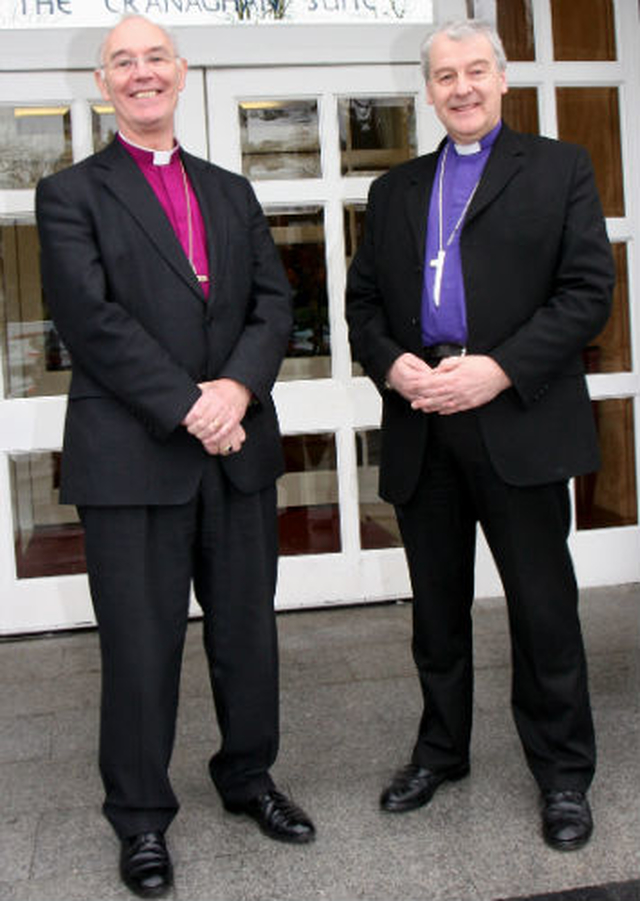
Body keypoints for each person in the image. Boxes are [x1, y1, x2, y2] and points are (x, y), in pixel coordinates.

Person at [36, 14, 315, 898]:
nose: (141, 72)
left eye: (155, 57)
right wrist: (195, 406)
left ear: (182, 72)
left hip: (236, 451)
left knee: (246, 638)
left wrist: (235, 389)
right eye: (123, 62)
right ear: (104, 85)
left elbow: (274, 303)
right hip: (133, 458)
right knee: (140, 646)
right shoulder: (69, 193)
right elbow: (91, 322)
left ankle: (248, 778)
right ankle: (142, 819)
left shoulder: (232, 190)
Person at [346, 19, 614, 852]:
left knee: (543, 609)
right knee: (437, 611)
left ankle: (563, 773)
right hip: (424, 420)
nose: (460, 88)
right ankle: (441, 751)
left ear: (501, 80)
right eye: (443, 76)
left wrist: (495, 369)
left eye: (474, 72)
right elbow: (362, 309)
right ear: (427, 91)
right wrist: (396, 367)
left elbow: (585, 294)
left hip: (517, 417)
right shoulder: (392, 192)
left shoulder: (561, 169)